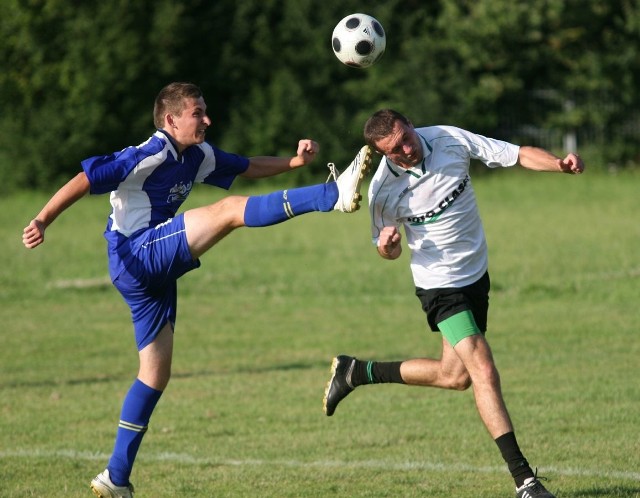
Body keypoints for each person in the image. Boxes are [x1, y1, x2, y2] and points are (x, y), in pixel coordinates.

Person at [22, 82, 373, 498]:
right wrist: (43, 219)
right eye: (197, 113)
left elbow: (245, 165)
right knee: (227, 212)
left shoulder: (198, 155)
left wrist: (294, 162)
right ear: (171, 120)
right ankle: (331, 194)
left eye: (206, 111)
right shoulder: (148, 152)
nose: (207, 120)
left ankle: (116, 476)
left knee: (154, 374)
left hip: (148, 266)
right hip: (134, 252)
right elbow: (86, 177)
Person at [323, 109, 585, 498]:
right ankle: (524, 480)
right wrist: (388, 247)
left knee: (456, 376)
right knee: (483, 368)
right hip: (440, 288)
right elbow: (383, 247)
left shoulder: (449, 138)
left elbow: (514, 154)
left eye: (406, 138)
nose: (407, 150)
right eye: (395, 151)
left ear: (410, 124)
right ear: (383, 155)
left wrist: (558, 165)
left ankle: (357, 372)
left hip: (476, 277)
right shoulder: (383, 190)